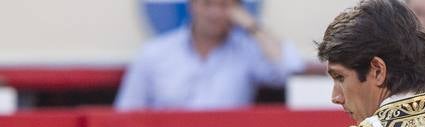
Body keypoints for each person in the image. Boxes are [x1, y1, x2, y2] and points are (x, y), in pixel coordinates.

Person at [115, 0, 304, 111]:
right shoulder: (154, 53)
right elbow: (126, 112)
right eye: (207, 3)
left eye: (224, 5)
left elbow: (289, 68)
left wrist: (252, 26)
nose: (214, 13)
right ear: (192, 6)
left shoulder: (247, 51)